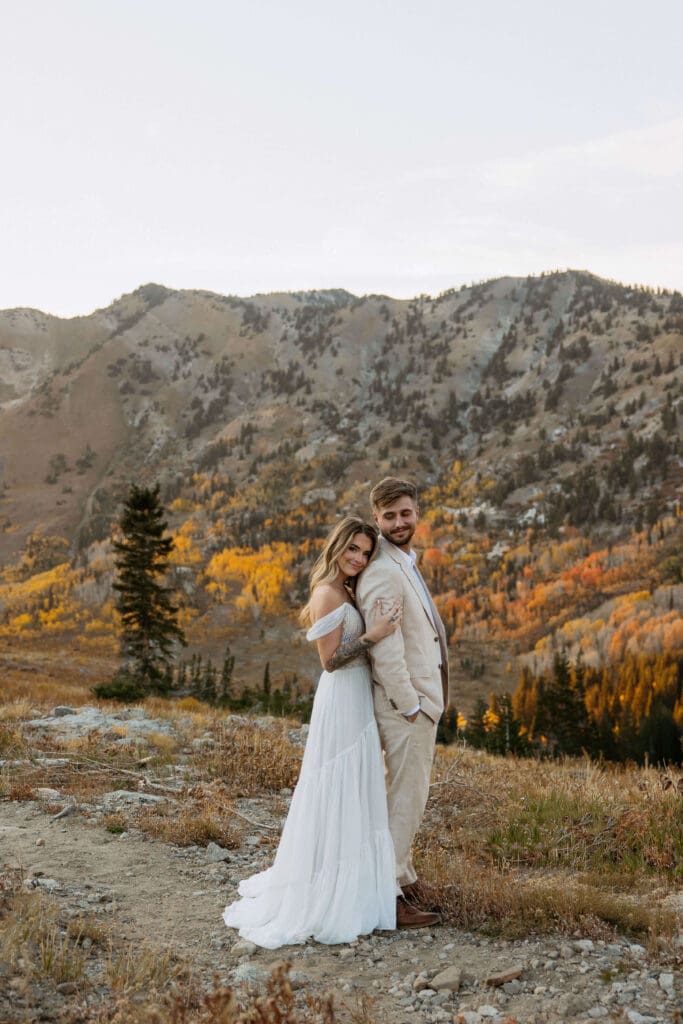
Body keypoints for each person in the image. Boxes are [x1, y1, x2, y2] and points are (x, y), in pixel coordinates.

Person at [223, 515, 401, 948]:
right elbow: (329, 660)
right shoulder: (326, 592)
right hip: (341, 694)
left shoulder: (347, 589)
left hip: (357, 695)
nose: (358, 558)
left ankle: (354, 881)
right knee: (336, 783)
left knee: (356, 784)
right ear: (337, 546)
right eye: (352, 549)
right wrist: (374, 634)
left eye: (364, 552)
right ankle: (326, 887)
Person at [356, 478, 449, 929]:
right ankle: (387, 894)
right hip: (406, 707)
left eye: (405, 514)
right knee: (404, 799)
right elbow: (385, 650)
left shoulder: (403, 561)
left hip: (419, 702)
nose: (398, 522)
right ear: (376, 519)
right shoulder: (381, 572)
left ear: (417, 513)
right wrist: (411, 705)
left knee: (412, 794)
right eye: (389, 516)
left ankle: (404, 875)